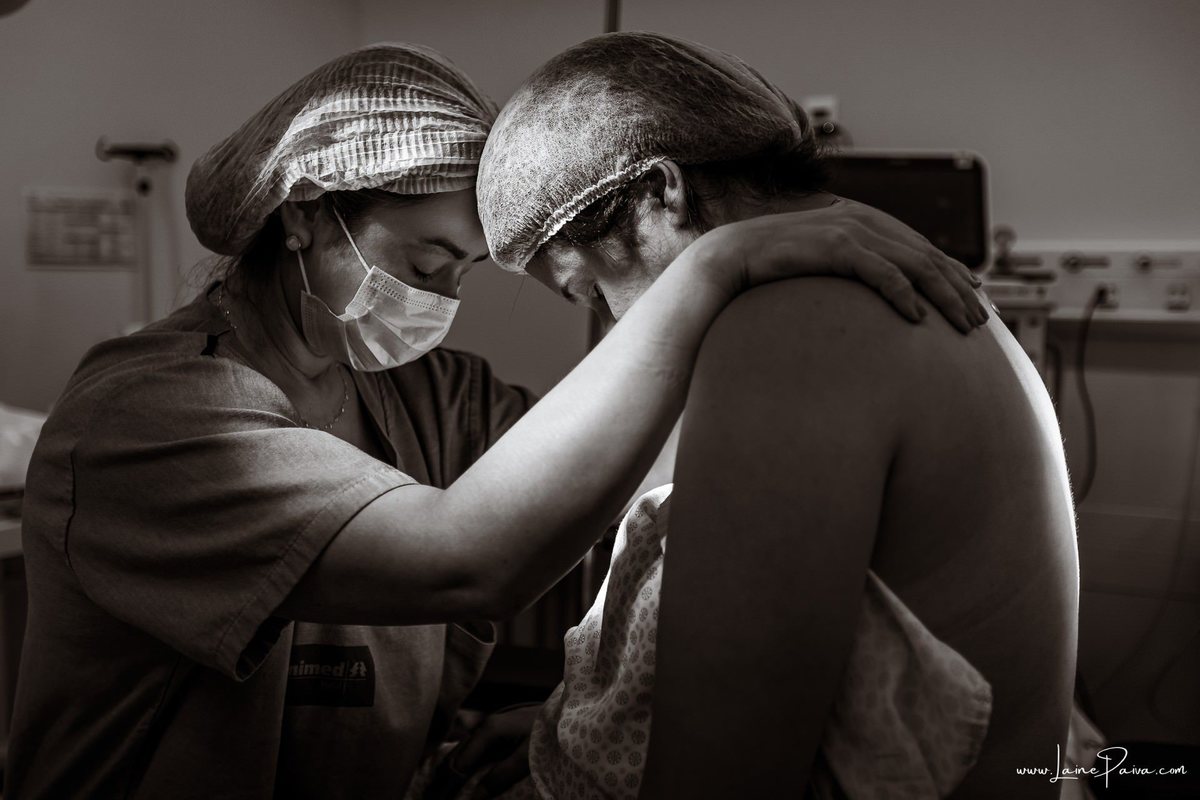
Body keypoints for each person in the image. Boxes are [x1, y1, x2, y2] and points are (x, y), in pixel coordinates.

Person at [6, 43, 984, 799]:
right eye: (425, 264)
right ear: (304, 213)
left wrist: (571, 719)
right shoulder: (151, 419)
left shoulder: (425, 396)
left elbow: (631, 480)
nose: (440, 301)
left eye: (461, 275)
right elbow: (469, 555)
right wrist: (711, 267)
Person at [475, 32, 1078, 800]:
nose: (616, 328)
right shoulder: (884, 258)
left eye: (591, 291)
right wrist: (581, 727)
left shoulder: (787, 332)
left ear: (662, 194)